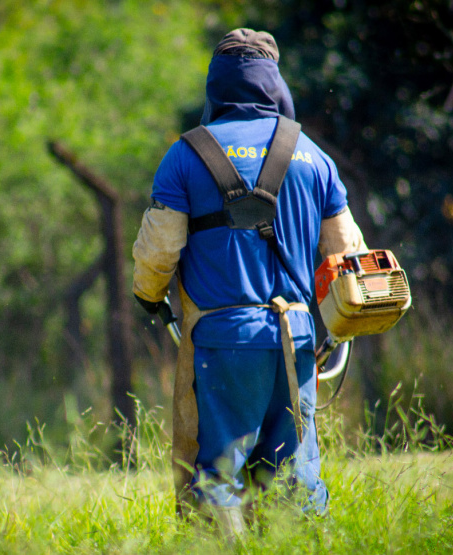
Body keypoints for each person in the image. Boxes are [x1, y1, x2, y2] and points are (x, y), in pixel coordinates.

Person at [131, 28, 367, 533]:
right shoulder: (313, 156)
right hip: (298, 338)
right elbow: (349, 258)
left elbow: (159, 252)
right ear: (274, 84)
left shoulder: (185, 155)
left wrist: (150, 298)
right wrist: (337, 330)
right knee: (294, 476)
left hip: (221, 341)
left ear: (215, 86)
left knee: (217, 477)